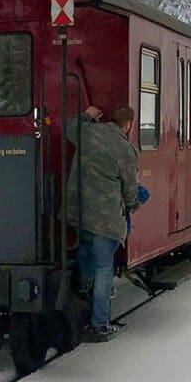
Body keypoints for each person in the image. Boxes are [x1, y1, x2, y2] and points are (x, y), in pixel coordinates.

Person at [66, 104, 140, 339]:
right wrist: (133, 204)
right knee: (104, 268)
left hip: (80, 214)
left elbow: (70, 128)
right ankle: (99, 324)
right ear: (128, 125)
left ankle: (81, 296)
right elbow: (130, 188)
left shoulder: (88, 132)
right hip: (106, 220)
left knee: (85, 255)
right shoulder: (125, 149)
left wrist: (86, 115)